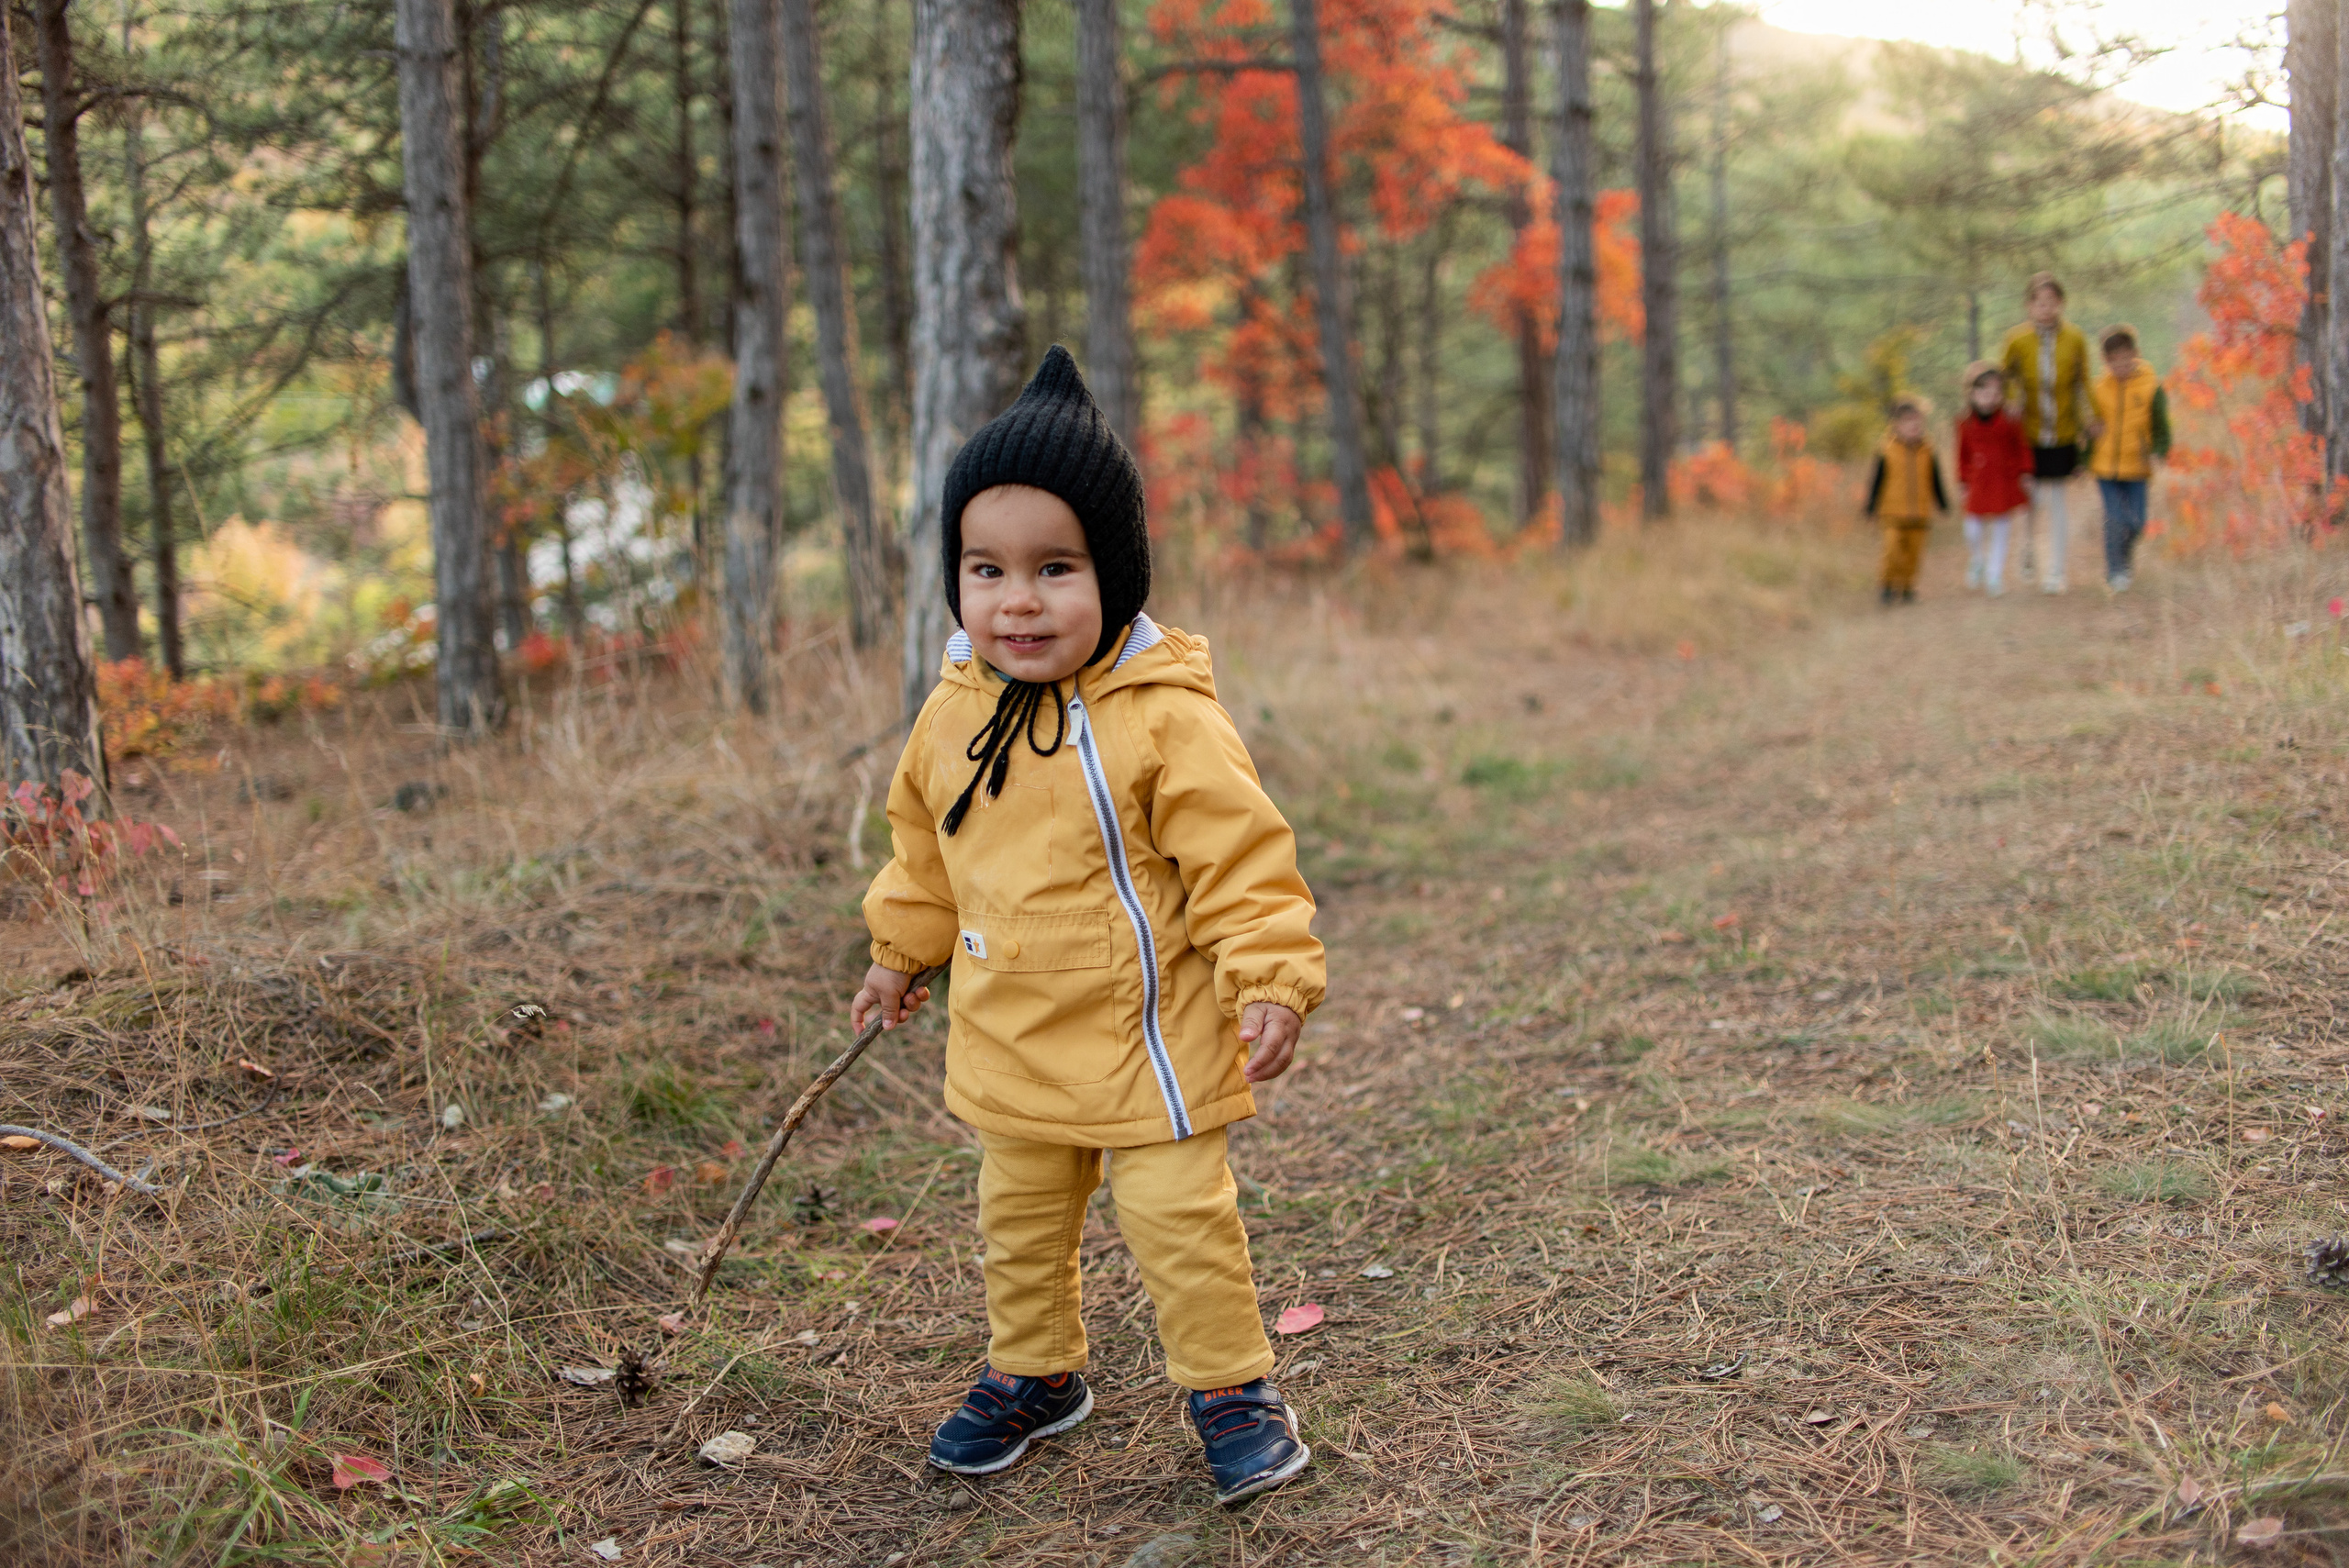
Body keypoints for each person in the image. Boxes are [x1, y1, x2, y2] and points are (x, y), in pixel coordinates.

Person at [852, 346, 1325, 1507]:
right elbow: (924, 851)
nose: (1018, 600)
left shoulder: (1162, 719)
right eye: (987, 568)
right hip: (1011, 1021)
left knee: (1177, 1218)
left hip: (1145, 1029)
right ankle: (1036, 1369)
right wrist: (898, 950)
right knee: (1015, 1217)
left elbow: (1243, 860)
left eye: (1054, 568)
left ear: (1112, 573)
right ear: (954, 578)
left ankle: (1228, 1386)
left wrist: (1270, 972)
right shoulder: (951, 714)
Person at [1999, 272, 2099, 594]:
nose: (2046, 308)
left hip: (2063, 432)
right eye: (2039, 302)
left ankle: (2056, 571)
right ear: (2029, 306)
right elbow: (2002, 380)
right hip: (2028, 433)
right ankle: (2027, 550)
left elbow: (2084, 381)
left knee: (2057, 501)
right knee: (2031, 500)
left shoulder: (2075, 339)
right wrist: (2011, 403)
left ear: (2061, 303)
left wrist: (2092, 417)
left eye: (2052, 302)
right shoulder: (2017, 340)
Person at [2087, 324, 2172, 593]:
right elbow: (2089, 427)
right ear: (2106, 361)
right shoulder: (2098, 388)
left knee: (2137, 522)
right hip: (2106, 467)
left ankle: (2123, 559)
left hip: (2137, 466)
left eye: (2126, 358)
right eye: (2115, 361)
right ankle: (2115, 570)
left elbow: (2161, 426)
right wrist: (2081, 457)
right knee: (2115, 517)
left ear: (2135, 354)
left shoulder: (2151, 386)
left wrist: (2160, 450)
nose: (2121, 365)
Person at [1954, 361, 2032, 597]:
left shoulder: (2010, 420)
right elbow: (1961, 454)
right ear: (1973, 393)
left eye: (1997, 393)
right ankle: (1978, 560)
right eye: (1985, 392)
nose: (1991, 398)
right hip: (1978, 483)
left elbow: (2022, 448)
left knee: (2001, 529)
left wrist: (2025, 472)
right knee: (1972, 529)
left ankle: (1994, 575)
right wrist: (1962, 481)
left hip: (2003, 482)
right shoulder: (1964, 423)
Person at [1864, 395, 1947, 605]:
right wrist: (1871, 506)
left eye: (1917, 423)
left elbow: (1935, 479)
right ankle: (1888, 585)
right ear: (1896, 425)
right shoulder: (1886, 450)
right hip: (1892, 511)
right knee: (1892, 550)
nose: (1913, 428)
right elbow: (1877, 480)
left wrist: (1942, 502)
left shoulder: (1928, 450)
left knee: (1914, 553)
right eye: (1908, 423)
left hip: (1919, 512)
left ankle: (1908, 586)